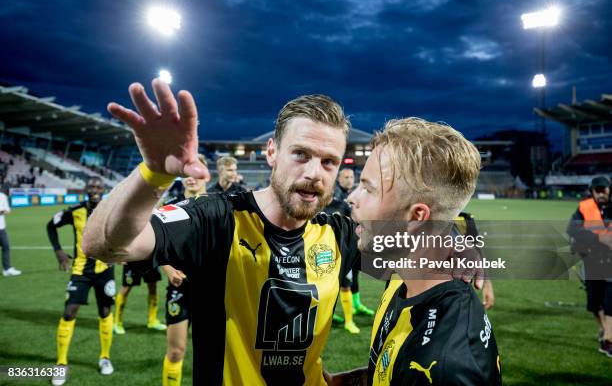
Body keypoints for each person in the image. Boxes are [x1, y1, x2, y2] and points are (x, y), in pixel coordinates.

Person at [83, 80, 360, 385]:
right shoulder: (216, 218)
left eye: (329, 162)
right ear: (272, 152)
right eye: (301, 154)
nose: (313, 173)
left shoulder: (340, 234)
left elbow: (420, 256)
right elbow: (102, 245)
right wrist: (153, 174)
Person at [327, 118, 501, 385]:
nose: (353, 198)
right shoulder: (403, 272)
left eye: (369, 189)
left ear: (416, 216)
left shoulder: (446, 366)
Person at [47, 177, 114, 385]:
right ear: (86, 189)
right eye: (91, 186)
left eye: (98, 187)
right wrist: (58, 251)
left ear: (103, 189)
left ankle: (104, 357)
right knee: (69, 312)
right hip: (80, 271)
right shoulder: (75, 210)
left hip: (105, 270)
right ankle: (61, 363)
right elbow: (51, 225)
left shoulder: (112, 210)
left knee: (105, 312)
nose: (94, 190)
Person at [161, 153, 210, 386]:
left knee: (212, 355)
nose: (191, 178)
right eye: (186, 174)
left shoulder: (221, 207)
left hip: (211, 290)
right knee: (176, 352)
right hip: (180, 289)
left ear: (206, 175)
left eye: (196, 172)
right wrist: (169, 270)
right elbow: (157, 247)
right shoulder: (169, 209)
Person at [567, 175, 612, 357]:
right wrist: (598, 238)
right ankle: (603, 330)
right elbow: (572, 229)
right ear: (592, 192)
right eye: (597, 191)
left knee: (610, 301)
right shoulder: (584, 207)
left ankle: (608, 340)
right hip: (591, 259)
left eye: (604, 190)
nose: (601, 194)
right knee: (594, 303)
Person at [326, 168, 373, 334]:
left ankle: (349, 320)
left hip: (344, 252)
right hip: (324, 254)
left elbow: (354, 223)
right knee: (326, 289)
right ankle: (328, 317)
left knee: (346, 284)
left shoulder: (342, 204)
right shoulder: (316, 207)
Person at [113, 261, 166, 334]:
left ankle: (152, 320)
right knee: (126, 287)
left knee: (153, 286)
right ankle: (117, 322)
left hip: (150, 259)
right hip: (133, 260)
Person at [0, 187, 19, 277]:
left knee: (6, 247)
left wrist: (3, 211)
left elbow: (8, 210)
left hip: (1, 227)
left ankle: (7, 269)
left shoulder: (3, 196)